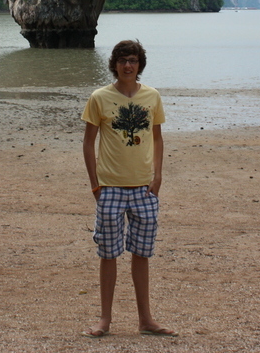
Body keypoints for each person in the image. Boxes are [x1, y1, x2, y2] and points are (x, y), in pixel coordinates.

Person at [80, 40, 177, 338]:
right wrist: (95, 185)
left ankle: (146, 320)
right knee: (108, 254)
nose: (127, 65)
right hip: (110, 188)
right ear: (115, 64)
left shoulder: (152, 97)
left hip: (144, 189)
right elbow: (88, 142)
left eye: (132, 60)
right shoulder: (99, 98)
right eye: (122, 60)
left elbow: (158, 138)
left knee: (141, 253)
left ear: (139, 64)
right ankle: (104, 320)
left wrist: (157, 177)